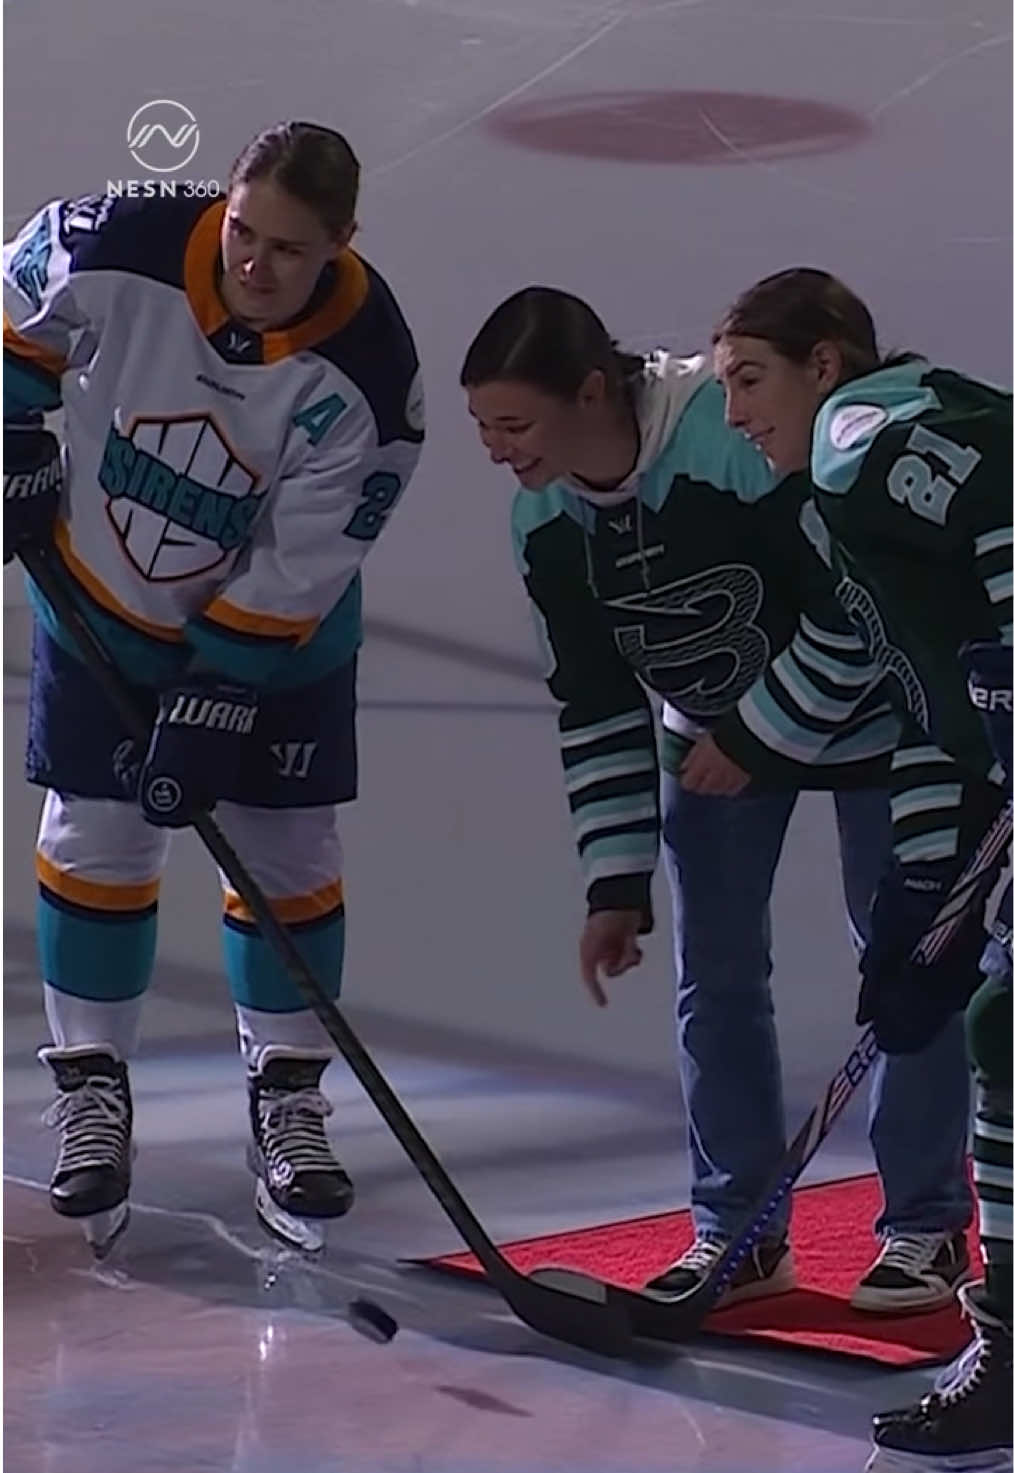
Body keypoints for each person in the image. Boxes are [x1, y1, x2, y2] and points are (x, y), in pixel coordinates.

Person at [459, 285, 974, 1315]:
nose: (498, 450)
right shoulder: (547, 519)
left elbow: (857, 601)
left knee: (914, 962)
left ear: (592, 392)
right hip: (714, 745)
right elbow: (596, 702)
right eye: (485, 429)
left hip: (877, 726)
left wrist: (759, 732)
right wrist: (615, 876)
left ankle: (926, 1226)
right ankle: (735, 1227)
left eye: (513, 424)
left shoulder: (732, 448)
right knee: (716, 982)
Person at [2, 121, 425, 1257]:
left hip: (282, 649)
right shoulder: (117, 243)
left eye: (288, 249)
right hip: (103, 604)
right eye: (243, 231)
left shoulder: (372, 372)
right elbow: (11, 312)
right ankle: (90, 1089)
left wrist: (223, 687)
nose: (255, 264)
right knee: (94, 838)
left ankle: (286, 1096)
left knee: (287, 856)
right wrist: (10, 426)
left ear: (341, 242)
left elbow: (310, 551)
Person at [712, 266, 1010, 1471]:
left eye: (750, 379)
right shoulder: (842, 511)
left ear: (827, 364)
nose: (734, 413)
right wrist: (923, 886)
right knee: (998, 1028)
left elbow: (1002, 488)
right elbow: (918, 684)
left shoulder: (860, 432)